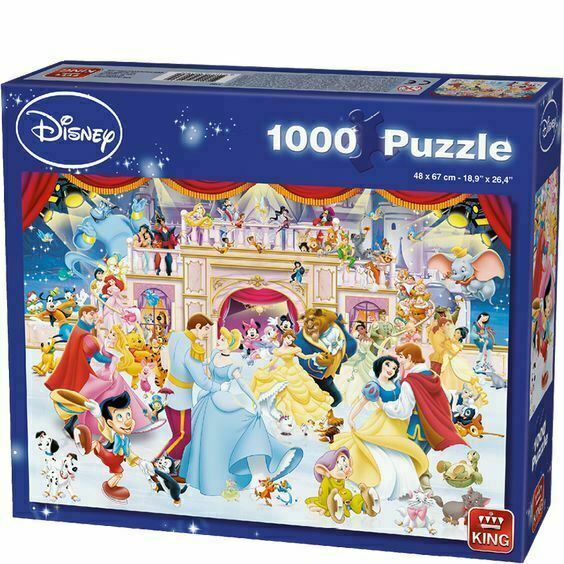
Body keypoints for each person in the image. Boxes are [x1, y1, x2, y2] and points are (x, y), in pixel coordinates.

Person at [179, 327, 302, 495]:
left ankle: (267, 462)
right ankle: (205, 477)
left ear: (229, 345)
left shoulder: (232, 365)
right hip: (208, 401)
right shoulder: (214, 354)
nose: (218, 341)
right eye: (219, 338)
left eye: (222, 340)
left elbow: (243, 384)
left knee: (233, 431)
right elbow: (201, 364)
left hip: (221, 402)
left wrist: (255, 401)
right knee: (206, 440)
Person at [332, 356, 428, 500]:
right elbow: (361, 403)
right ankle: (382, 488)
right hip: (382, 423)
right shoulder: (374, 386)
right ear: (380, 365)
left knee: (401, 454)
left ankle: (406, 489)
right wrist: (351, 417)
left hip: (399, 423)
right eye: (387, 365)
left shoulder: (397, 384)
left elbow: (405, 405)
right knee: (382, 453)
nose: (390, 369)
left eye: (394, 368)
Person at [379, 343, 467, 490]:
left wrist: (385, 406)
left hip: (418, 428)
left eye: (401, 357)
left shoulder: (410, 382)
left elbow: (403, 411)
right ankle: (421, 488)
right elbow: (447, 397)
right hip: (433, 429)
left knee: (411, 457)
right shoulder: (433, 376)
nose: (399, 361)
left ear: (409, 357)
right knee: (418, 457)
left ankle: (423, 489)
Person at [75, 325, 159, 435]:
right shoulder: (107, 343)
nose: (110, 335)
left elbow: (113, 364)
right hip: (103, 372)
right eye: (111, 332)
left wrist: (111, 375)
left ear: (118, 338)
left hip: (111, 374)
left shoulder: (115, 350)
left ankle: (107, 423)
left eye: (114, 335)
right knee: (93, 391)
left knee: (108, 396)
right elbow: (100, 345)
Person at [73, 392, 154, 502]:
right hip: (108, 456)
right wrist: (98, 415)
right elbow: (104, 427)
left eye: (128, 415)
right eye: (120, 417)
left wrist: (141, 462)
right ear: (111, 422)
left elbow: (129, 454)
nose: (128, 421)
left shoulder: (125, 440)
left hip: (116, 460)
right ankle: (84, 447)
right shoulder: (113, 434)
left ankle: (109, 487)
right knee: (96, 444)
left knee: (119, 475)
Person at [157, 313, 216, 464]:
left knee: (177, 434)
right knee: (184, 435)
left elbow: (180, 361)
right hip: (181, 397)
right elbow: (202, 381)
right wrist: (218, 386)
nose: (207, 334)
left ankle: (171, 465)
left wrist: (203, 363)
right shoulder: (192, 348)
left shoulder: (176, 336)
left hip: (169, 389)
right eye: (206, 329)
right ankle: (159, 463)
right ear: (197, 326)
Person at [250, 330, 333, 425]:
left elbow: (304, 357)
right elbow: (273, 362)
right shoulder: (278, 351)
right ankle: (285, 416)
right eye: (288, 338)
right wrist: (264, 368)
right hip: (284, 371)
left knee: (304, 391)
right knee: (284, 392)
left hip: (295, 370)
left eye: (291, 340)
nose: (289, 341)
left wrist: (315, 355)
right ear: (284, 337)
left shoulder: (293, 349)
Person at [45, 306, 111, 393]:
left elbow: (87, 325)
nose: (93, 318)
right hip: (83, 368)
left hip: (77, 365)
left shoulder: (78, 327)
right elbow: (98, 357)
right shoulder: (86, 337)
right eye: (91, 315)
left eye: (94, 316)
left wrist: (96, 323)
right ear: (84, 313)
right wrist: (113, 360)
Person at [335, 321, 378, 406]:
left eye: (362, 329)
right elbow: (355, 338)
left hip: (368, 355)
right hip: (361, 355)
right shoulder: (360, 337)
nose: (360, 331)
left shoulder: (369, 338)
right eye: (358, 330)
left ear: (365, 329)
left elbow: (375, 346)